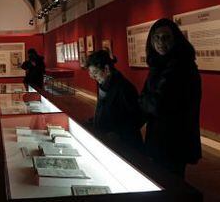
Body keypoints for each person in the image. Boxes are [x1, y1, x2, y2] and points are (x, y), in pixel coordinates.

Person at [139, 18, 201, 178]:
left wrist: (144, 101)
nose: (160, 42)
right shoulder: (159, 65)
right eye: (156, 38)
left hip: (175, 139)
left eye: (166, 37)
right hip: (161, 137)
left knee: (171, 183)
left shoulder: (181, 67)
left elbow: (159, 105)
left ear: (175, 39)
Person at [86, 50, 143, 150]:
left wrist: (118, 134)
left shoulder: (124, 88)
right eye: (91, 73)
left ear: (106, 69)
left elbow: (138, 117)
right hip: (108, 141)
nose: (93, 77)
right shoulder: (103, 83)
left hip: (125, 145)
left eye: (95, 73)